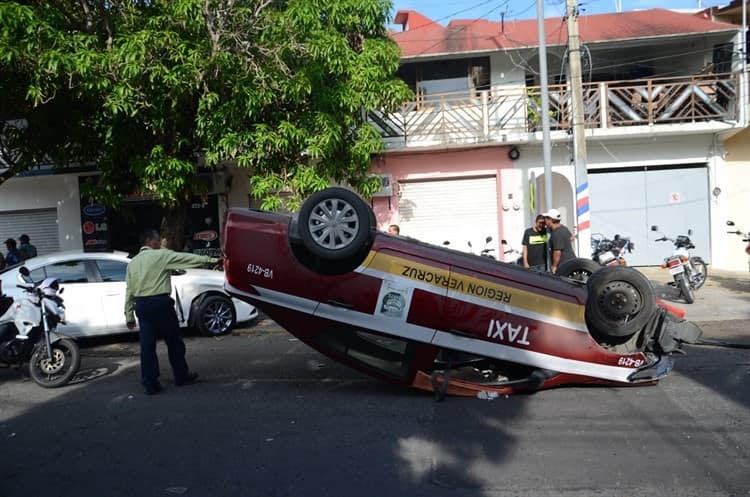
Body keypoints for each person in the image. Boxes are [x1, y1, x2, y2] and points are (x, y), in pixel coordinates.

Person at [124, 229, 220, 395]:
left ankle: (150, 383)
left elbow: (129, 291)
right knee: (174, 342)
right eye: (157, 240)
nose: (160, 242)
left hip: (142, 306)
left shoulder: (132, 263)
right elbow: (186, 258)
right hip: (160, 304)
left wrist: (129, 314)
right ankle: (181, 375)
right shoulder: (160, 255)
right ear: (150, 241)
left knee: (147, 347)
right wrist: (211, 260)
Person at [543, 208, 575, 274]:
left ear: (550, 220)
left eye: (546, 218)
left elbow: (557, 252)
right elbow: (571, 238)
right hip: (571, 261)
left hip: (564, 265)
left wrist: (554, 266)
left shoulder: (556, 233)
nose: (544, 220)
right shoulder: (563, 228)